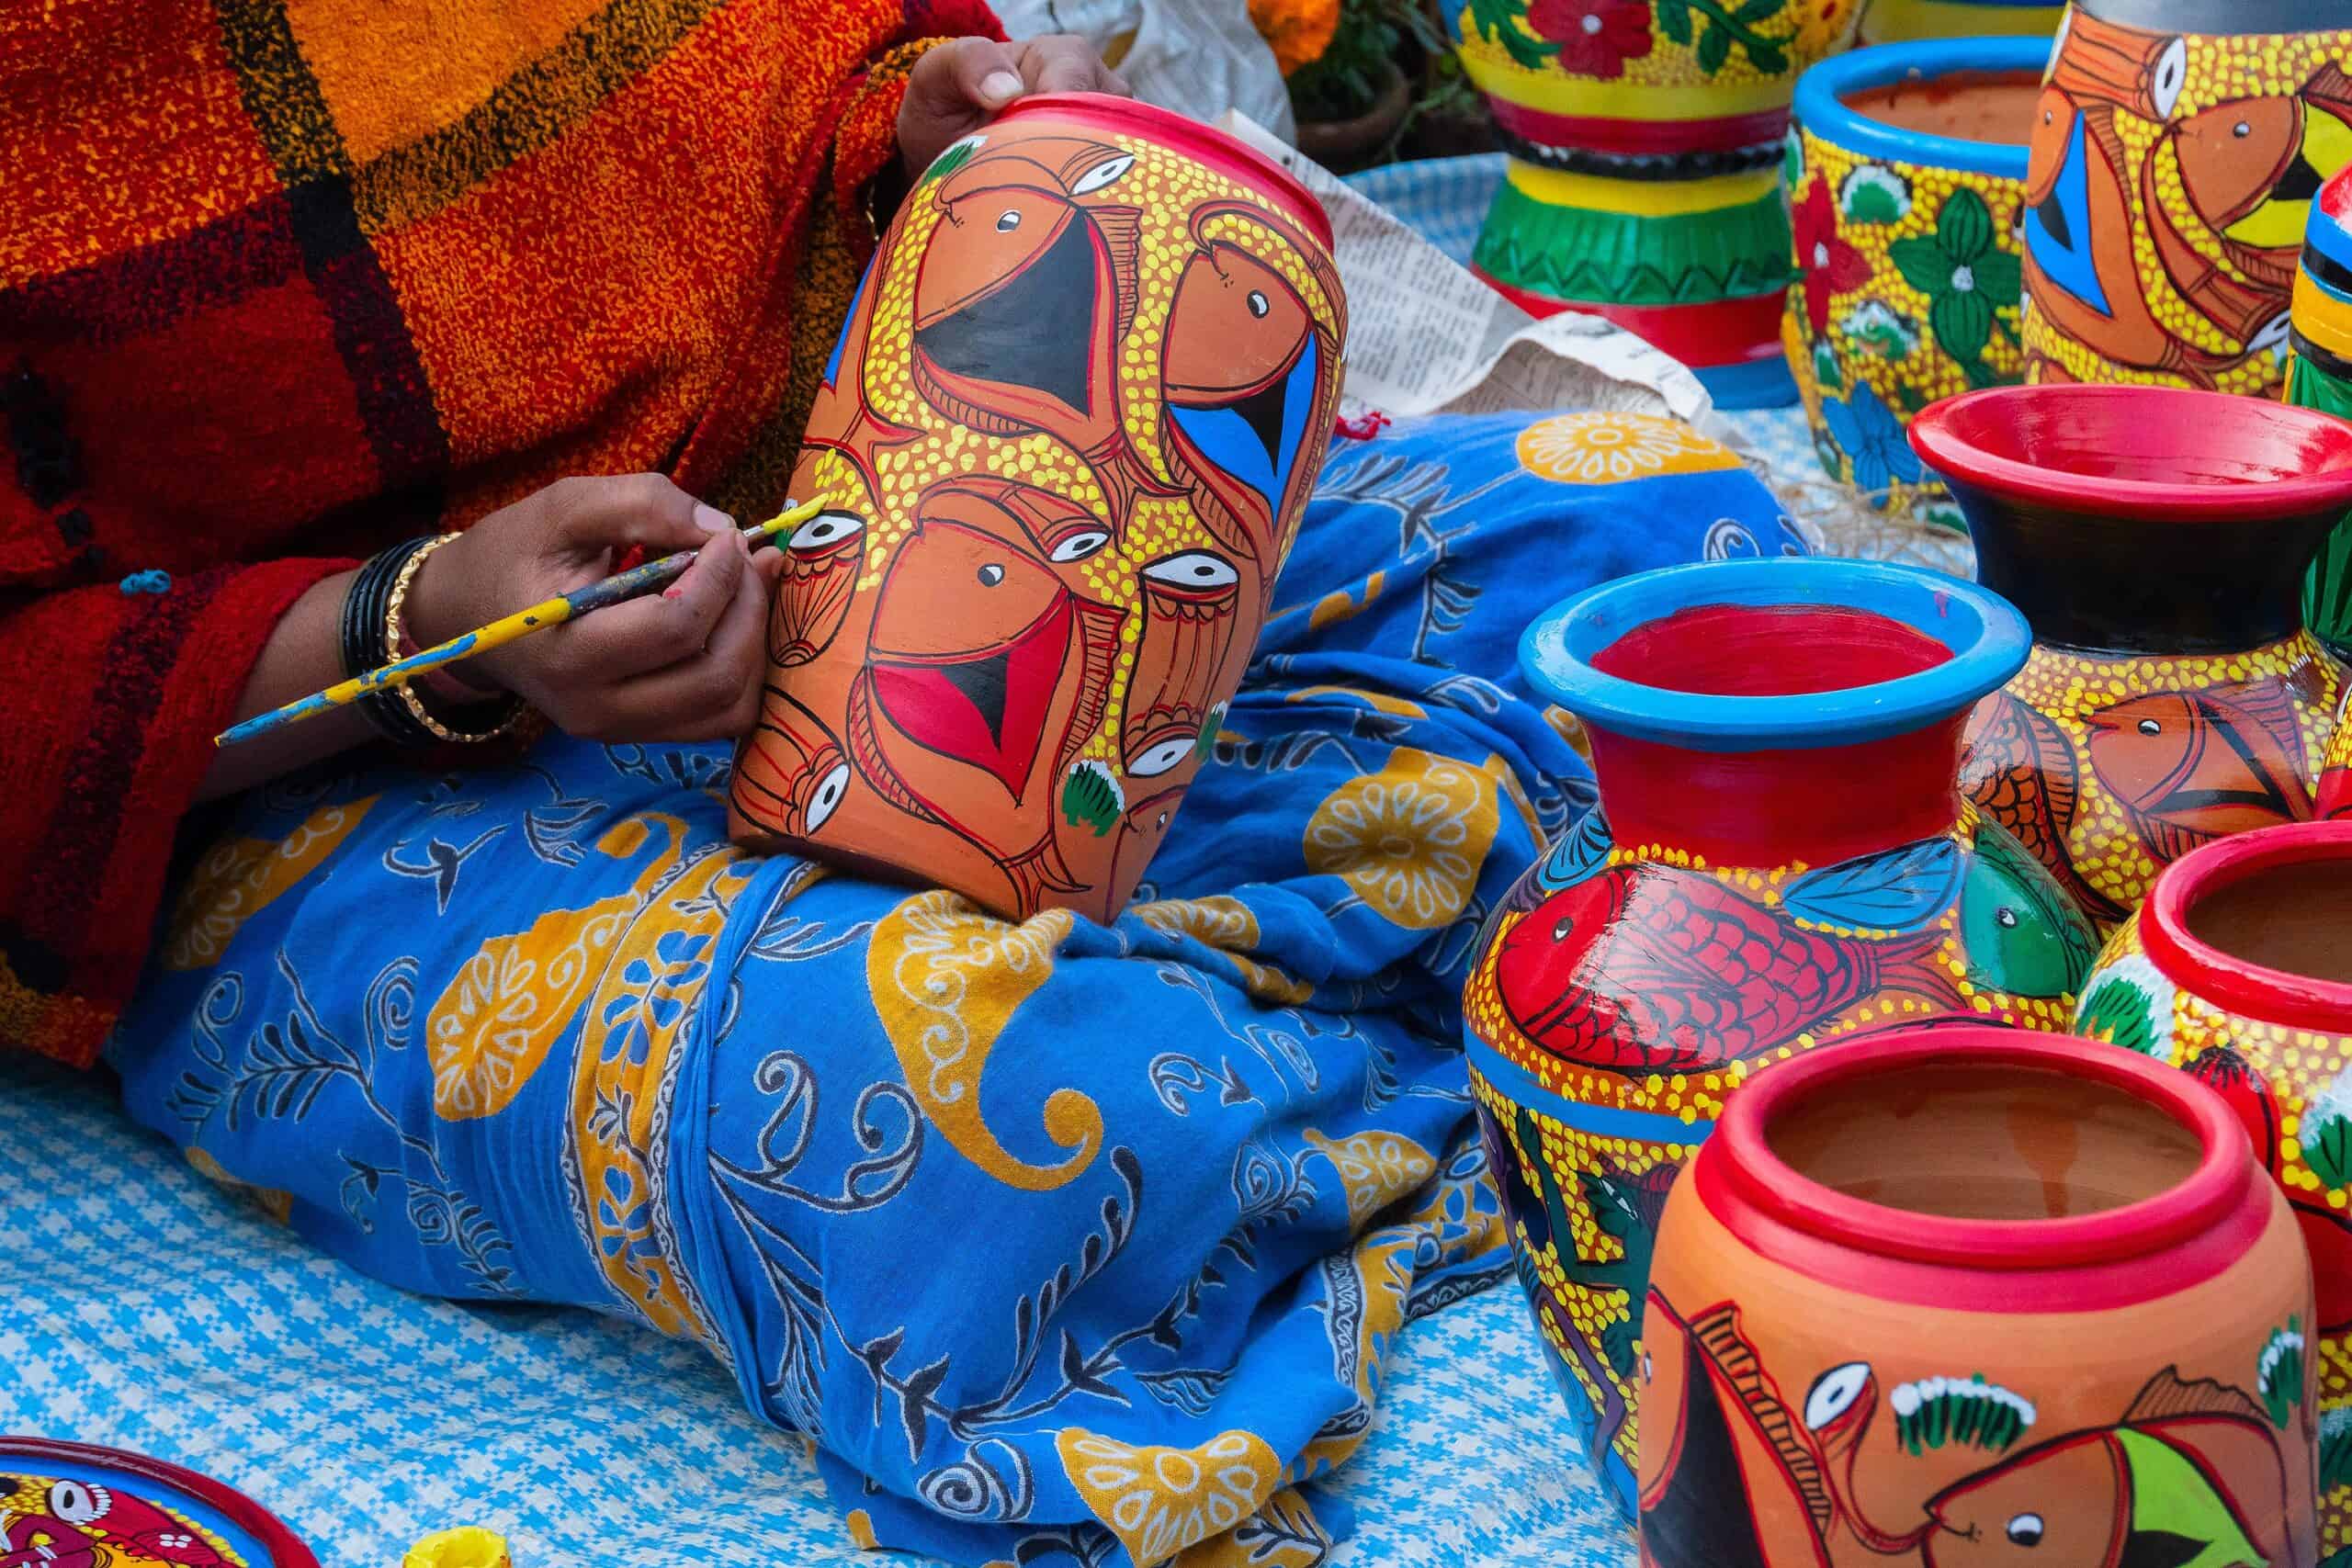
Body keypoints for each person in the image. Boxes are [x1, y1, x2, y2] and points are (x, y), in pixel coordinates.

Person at [1, 6, 1802, 1562]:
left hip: (862, 534)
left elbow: (755, 96)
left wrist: (894, 139)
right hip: (332, 762)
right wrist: (437, 619)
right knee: (973, 1122)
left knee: (1667, 546)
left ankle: (1225, 992)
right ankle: (1405, 995)